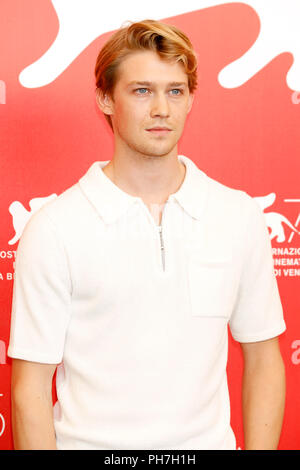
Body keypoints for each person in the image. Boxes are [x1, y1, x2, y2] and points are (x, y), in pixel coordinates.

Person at [8, 19, 286, 451]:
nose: (162, 109)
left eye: (175, 91)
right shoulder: (55, 228)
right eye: (142, 91)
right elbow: (29, 389)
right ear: (105, 98)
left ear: (191, 98)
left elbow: (265, 357)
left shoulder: (237, 216)